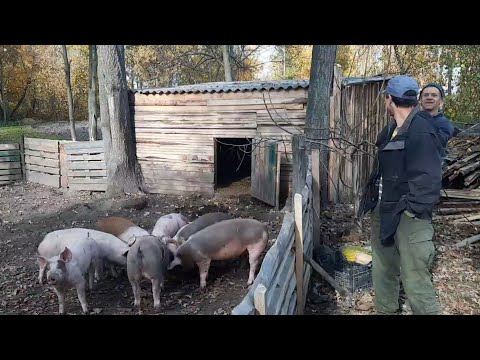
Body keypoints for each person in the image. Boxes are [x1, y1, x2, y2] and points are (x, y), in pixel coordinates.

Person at [358, 75, 443, 315]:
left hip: (409, 218)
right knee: (383, 271)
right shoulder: (390, 131)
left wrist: (409, 210)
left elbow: (429, 181)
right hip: (385, 210)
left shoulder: (423, 130)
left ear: (390, 100)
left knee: (415, 280)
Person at [419, 82, 455, 148]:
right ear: (420, 100)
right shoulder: (412, 120)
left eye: (434, 95)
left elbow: (437, 144)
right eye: (426, 95)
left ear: (441, 102)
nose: (429, 98)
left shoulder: (445, 125)